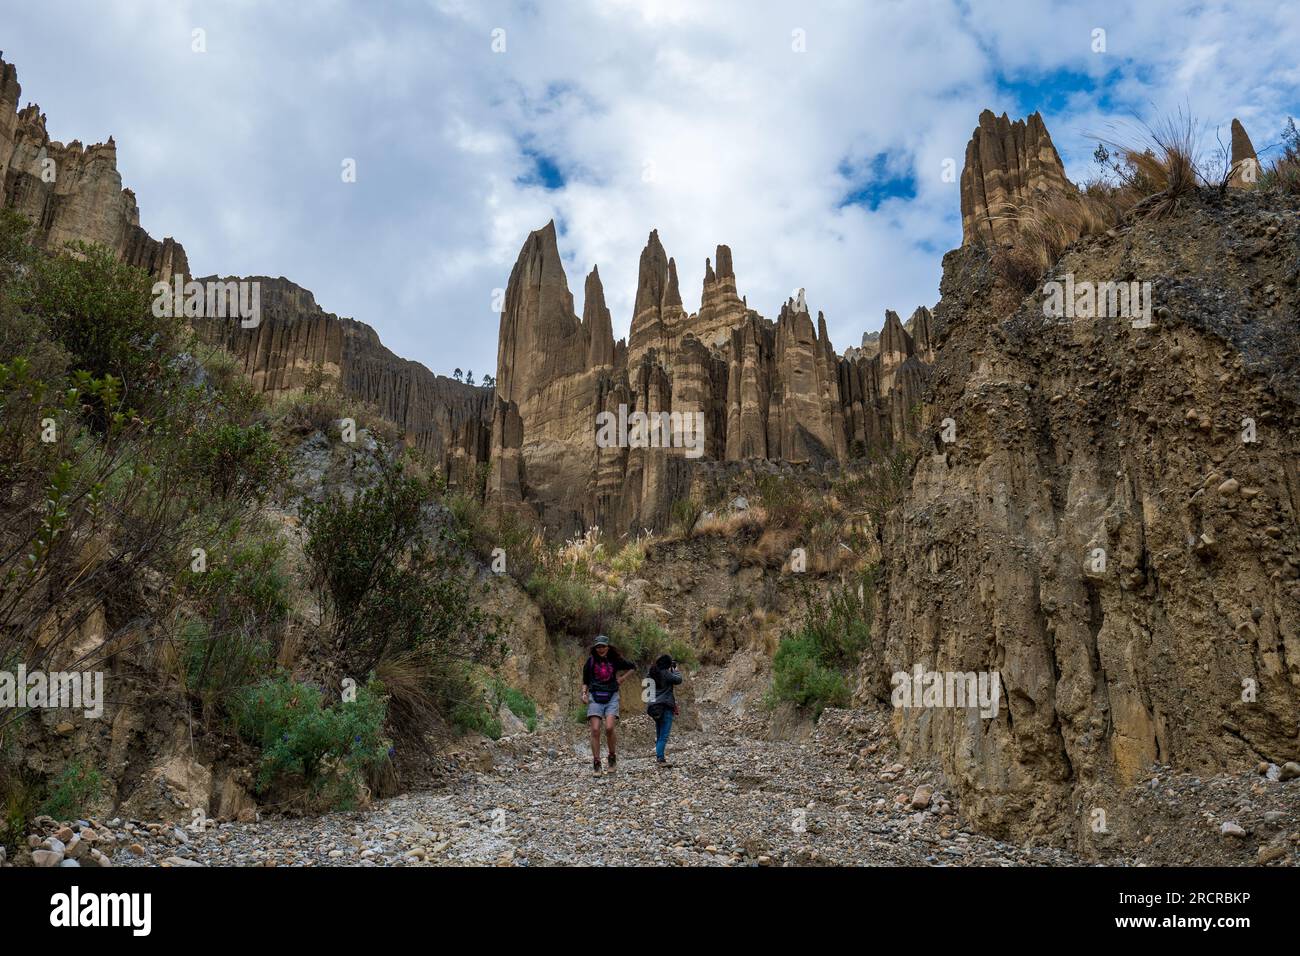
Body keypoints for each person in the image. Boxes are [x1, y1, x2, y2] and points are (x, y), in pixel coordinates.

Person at [581, 635, 635, 775]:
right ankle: (597, 763)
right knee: (595, 729)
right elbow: (585, 680)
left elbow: (632, 667)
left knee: (610, 728)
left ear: (608, 647)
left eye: (603, 646)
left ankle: (612, 757)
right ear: (595, 648)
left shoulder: (615, 660)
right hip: (595, 696)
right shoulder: (591, 661)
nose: (601, 649)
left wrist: (622, 679)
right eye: (598, 647)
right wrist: (584, 694)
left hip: (612, 696)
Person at [646, 654, 682, 767]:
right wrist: (676, 671)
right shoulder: (666, 673)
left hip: (653, 707)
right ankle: (660, 759)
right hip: (665, 706)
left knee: (659, 732)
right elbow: (678, 680)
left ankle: (659, 756)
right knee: (664, 735)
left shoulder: (650, 674)